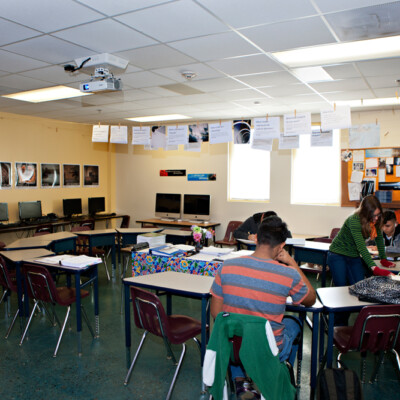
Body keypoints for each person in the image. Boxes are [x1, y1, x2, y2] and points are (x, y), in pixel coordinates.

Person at [211, 216, 316, 400]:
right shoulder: (288, 274)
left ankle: (241, 380)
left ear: (256, 238)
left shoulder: (226, 267)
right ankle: (275, 378)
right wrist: (291, 262)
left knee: (237, 331)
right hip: (268, 349)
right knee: (294, 325)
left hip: (234, 347)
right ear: (281, 246)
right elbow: (310, 299)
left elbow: (216, 315)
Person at [328, 195, 396, 290]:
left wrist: (383, 259)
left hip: (353, 255)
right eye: (373, 215)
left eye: (378, 214)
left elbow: (379, 239)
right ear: (365, 213)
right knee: (341, 287)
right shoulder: (354, 220)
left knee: (360, 286)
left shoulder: (375, 220)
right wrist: (375, 268)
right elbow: (361, 246)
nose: (376, 218)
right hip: (338, 254)